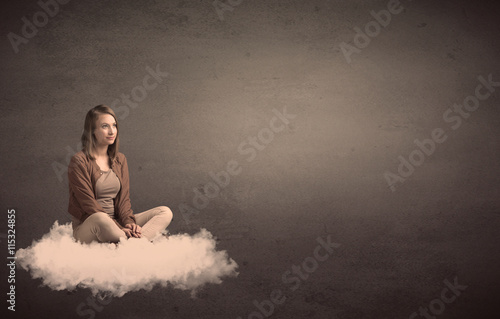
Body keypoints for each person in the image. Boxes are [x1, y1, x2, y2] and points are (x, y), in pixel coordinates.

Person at [67, 105, 173, 244]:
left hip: (118, 225)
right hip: (91, 225)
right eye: (105, 126)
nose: (112, 131)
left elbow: (123, 200)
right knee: (100, 218)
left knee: (165, 212)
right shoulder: (79, 161)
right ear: (92, 130)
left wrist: (129, 223)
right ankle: (141, 242)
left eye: (114, 125)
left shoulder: (120, 159)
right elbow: (89, 205)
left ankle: (133, 244)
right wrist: (119, 228)